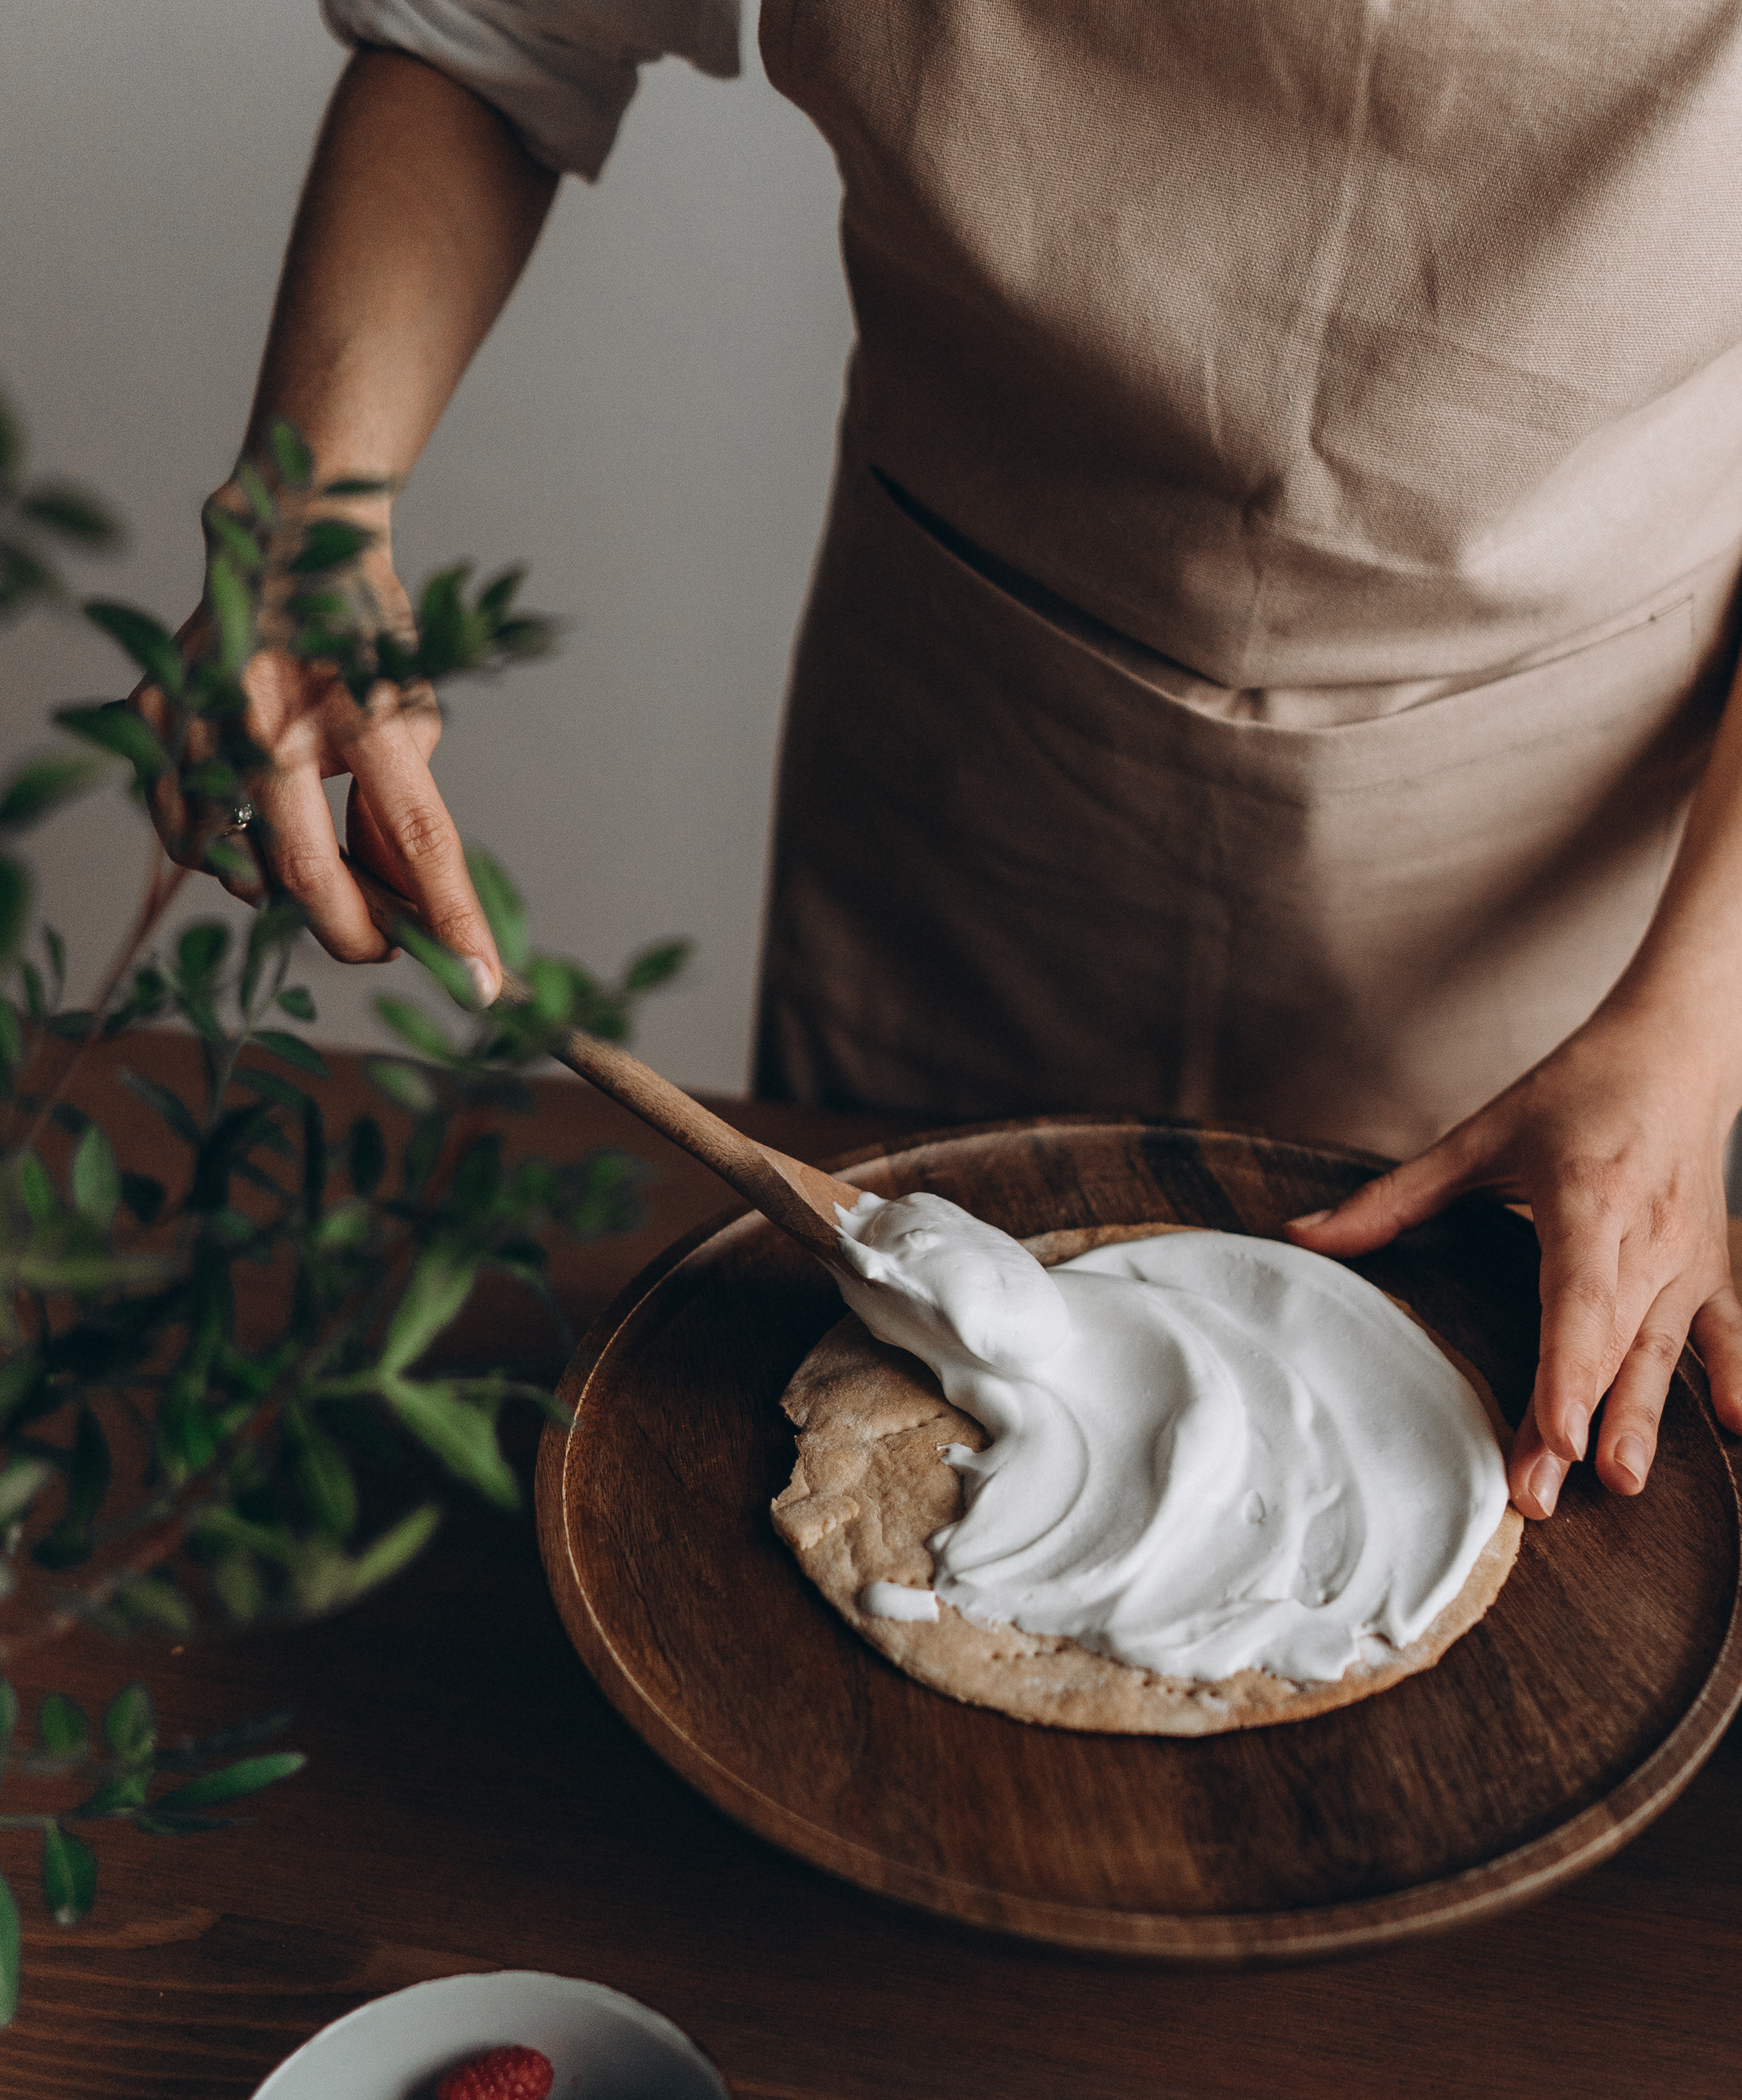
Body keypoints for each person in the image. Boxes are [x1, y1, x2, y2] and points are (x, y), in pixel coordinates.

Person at [140, 2, 1742, 1533]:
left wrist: (1693, 1027)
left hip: (1566, 865)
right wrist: (315, 500)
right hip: (968, 738)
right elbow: (503, 35)